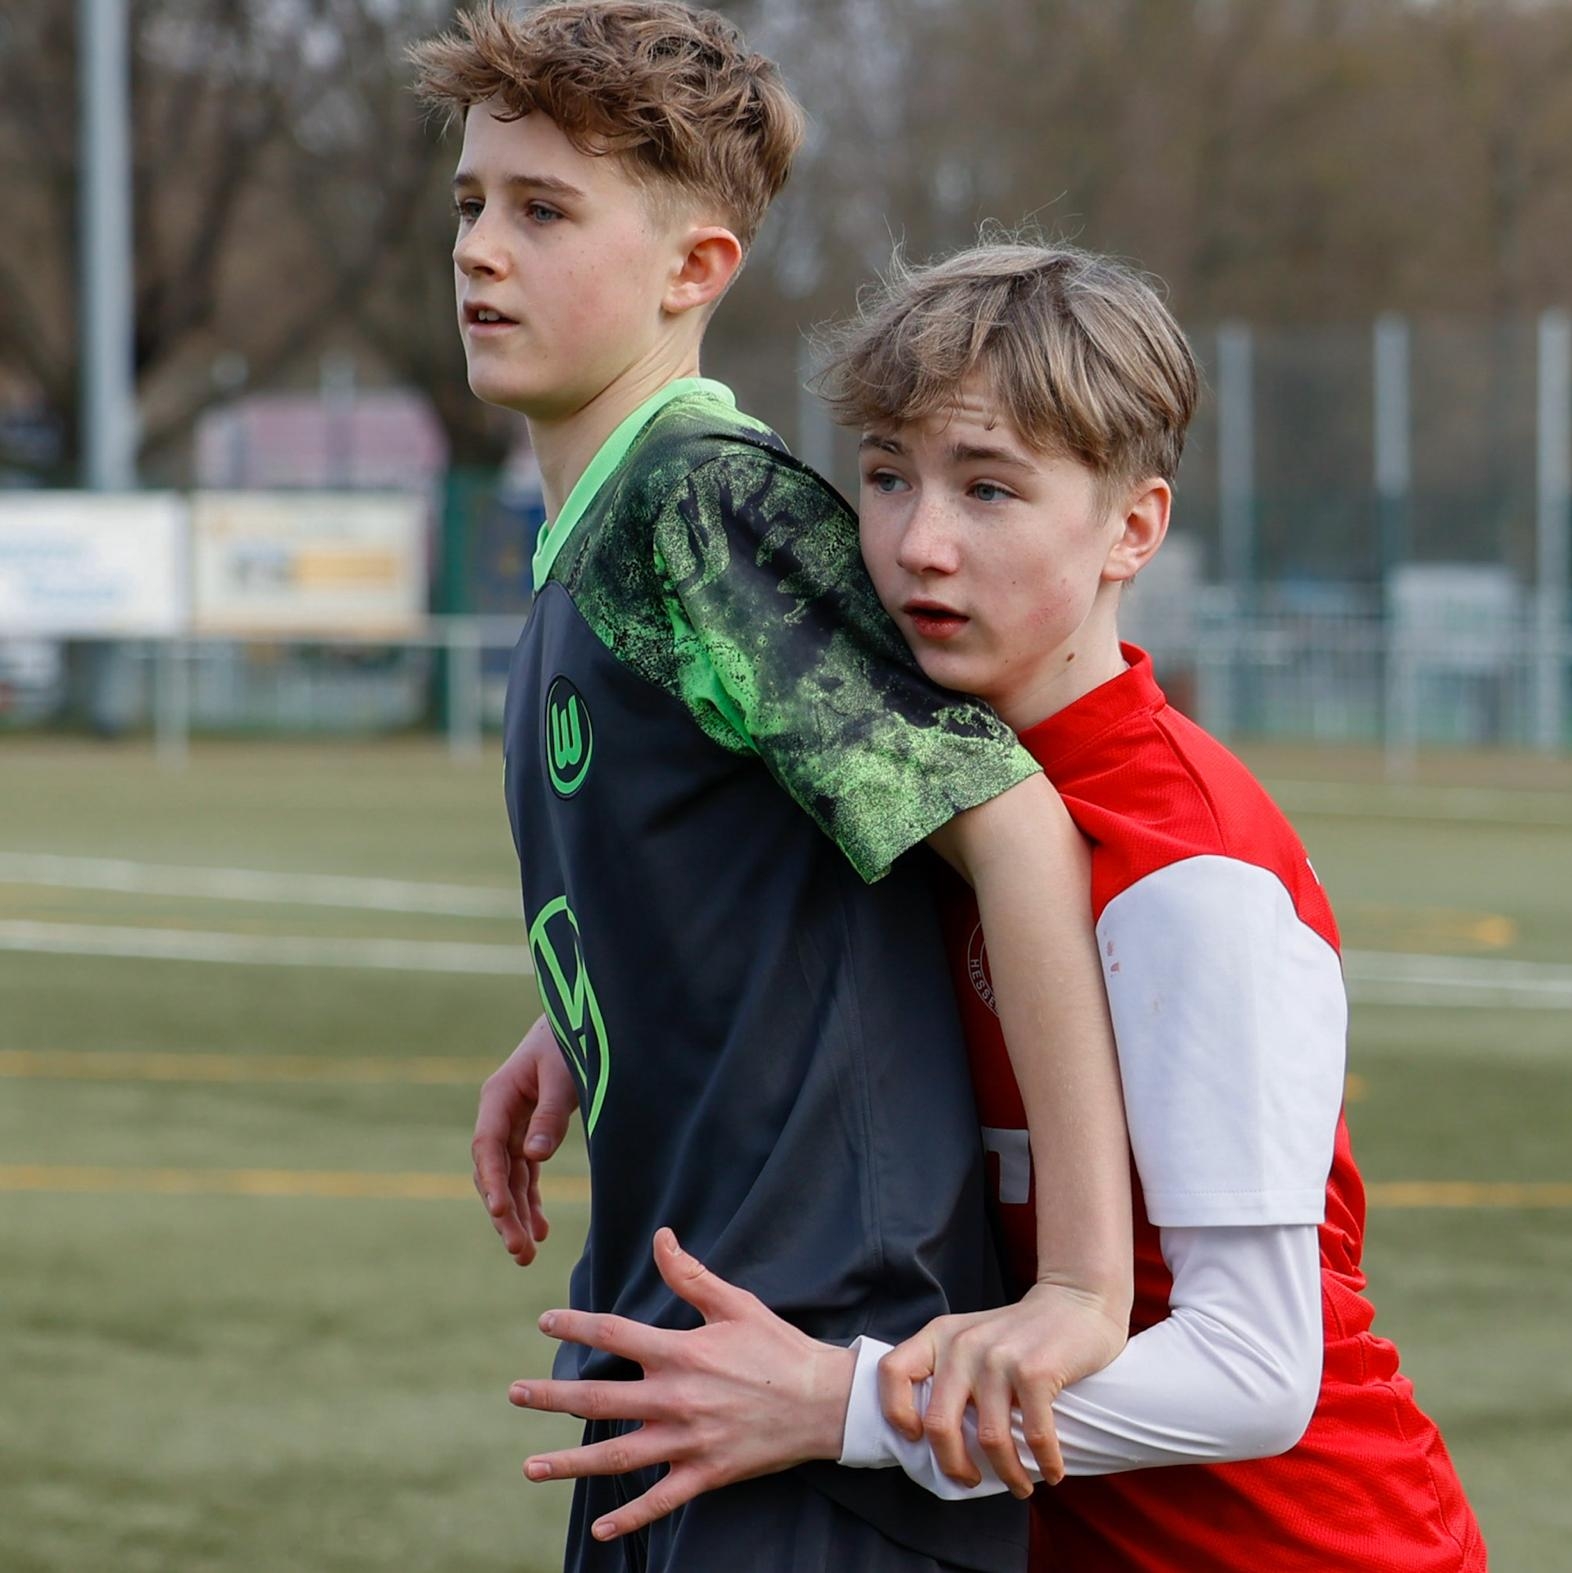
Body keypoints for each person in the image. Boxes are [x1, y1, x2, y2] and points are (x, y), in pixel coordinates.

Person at [505, 242, 1489, 1572]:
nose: (921, 543)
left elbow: (1255, 1371)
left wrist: (842, 1405)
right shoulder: (925, 790)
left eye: (989, 489)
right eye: (887, 477)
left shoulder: (1187, 871)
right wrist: (576, 1021)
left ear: (1132, 529)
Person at [411, 8, 1134, 1570]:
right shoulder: (603, 535)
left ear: (696, 267)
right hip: (683, 1356)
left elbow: (1016, 829)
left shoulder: (703, 509)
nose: (480, 249)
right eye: (471, 201)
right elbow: (760, 850)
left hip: (810, 1370)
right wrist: (581, 1006)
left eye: (545, 211)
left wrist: (1081, 1287)